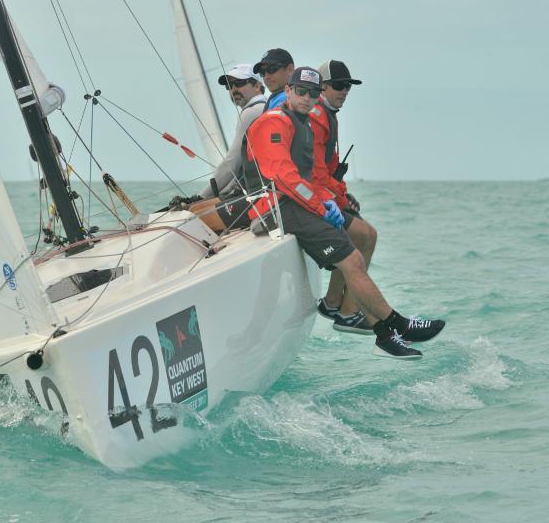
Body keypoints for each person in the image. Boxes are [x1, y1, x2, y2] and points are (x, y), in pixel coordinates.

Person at [245, 67, 445, 359]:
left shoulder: (302, 123)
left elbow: (311, 176)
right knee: (352, 259)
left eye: (313, 93)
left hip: (294, 204)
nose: (306, 98)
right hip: (276, 207)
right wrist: (321, 206)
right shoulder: (275, 123)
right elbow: (284, 176)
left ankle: (385, 335)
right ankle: (397, 325)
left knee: (354, 255)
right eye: (300, 91)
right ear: (288, 91)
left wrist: (328, 200)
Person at [309, 60, 377, 335]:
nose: (344, 91)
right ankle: (348, 312)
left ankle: (334, 302)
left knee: (362, 234)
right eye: (339, 86)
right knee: (366, 235)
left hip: (324, 193)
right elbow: (315, 172)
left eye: (348, 87)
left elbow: (331, 165)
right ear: (322, 86)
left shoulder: (329, 114)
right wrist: (338, 200)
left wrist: (344, 194)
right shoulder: (316, 116)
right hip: (311, 197)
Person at [171, 64, 267, 232]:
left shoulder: (252, 112)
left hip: (259, 194)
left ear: (257, 85)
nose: (234, 89)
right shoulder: (265, 106)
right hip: (256, 189)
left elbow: (232, 163)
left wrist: (199, 197)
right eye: (230, 86)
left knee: (194, 214)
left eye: (239, 83)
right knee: (199, 209)